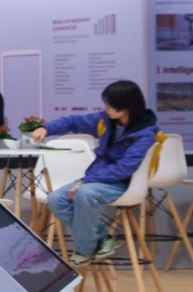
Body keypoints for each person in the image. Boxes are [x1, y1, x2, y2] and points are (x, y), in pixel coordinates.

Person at [24, 79, 160, 261]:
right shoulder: (106, 120)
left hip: (122, 182)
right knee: (55, 199)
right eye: (106, 103)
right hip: (97, 177)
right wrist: (46, 128)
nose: (106, 108)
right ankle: (103, 238)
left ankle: (85, 250)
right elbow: (74, 122)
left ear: (128, 106)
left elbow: (125, 167)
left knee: (85, 193)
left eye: (111, 104)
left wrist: (85, 181)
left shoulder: (145, 133)